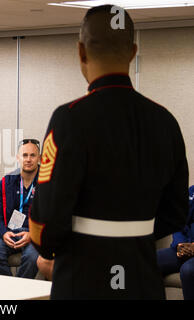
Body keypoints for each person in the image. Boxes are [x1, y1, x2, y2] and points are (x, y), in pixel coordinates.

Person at [29, 5, 189, 299]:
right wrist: (132, 235)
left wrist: (50, 246)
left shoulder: (70, 118)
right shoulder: (165, 121)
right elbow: (176, 212)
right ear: (133, 52)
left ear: (80, 52)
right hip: (142, 275)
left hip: (83, 275)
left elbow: (48, 216)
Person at [0, 139, 41, 279]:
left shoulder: (48, 183)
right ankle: (12, 289)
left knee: (33, 258)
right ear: (18, 158)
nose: (28, 159)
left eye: (32, 155)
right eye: (24, 155)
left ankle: (21, 291)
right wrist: (3, 233)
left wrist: (33, 234)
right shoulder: (6, 182)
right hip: (10, 232)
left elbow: (54, 216)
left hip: (36, 234)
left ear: (39, 158)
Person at [157, 185, 194, 300]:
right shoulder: (192, 191)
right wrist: (180, 245)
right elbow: (180, 222)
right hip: (184, 247)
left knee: (188, 270)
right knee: (148, 262)